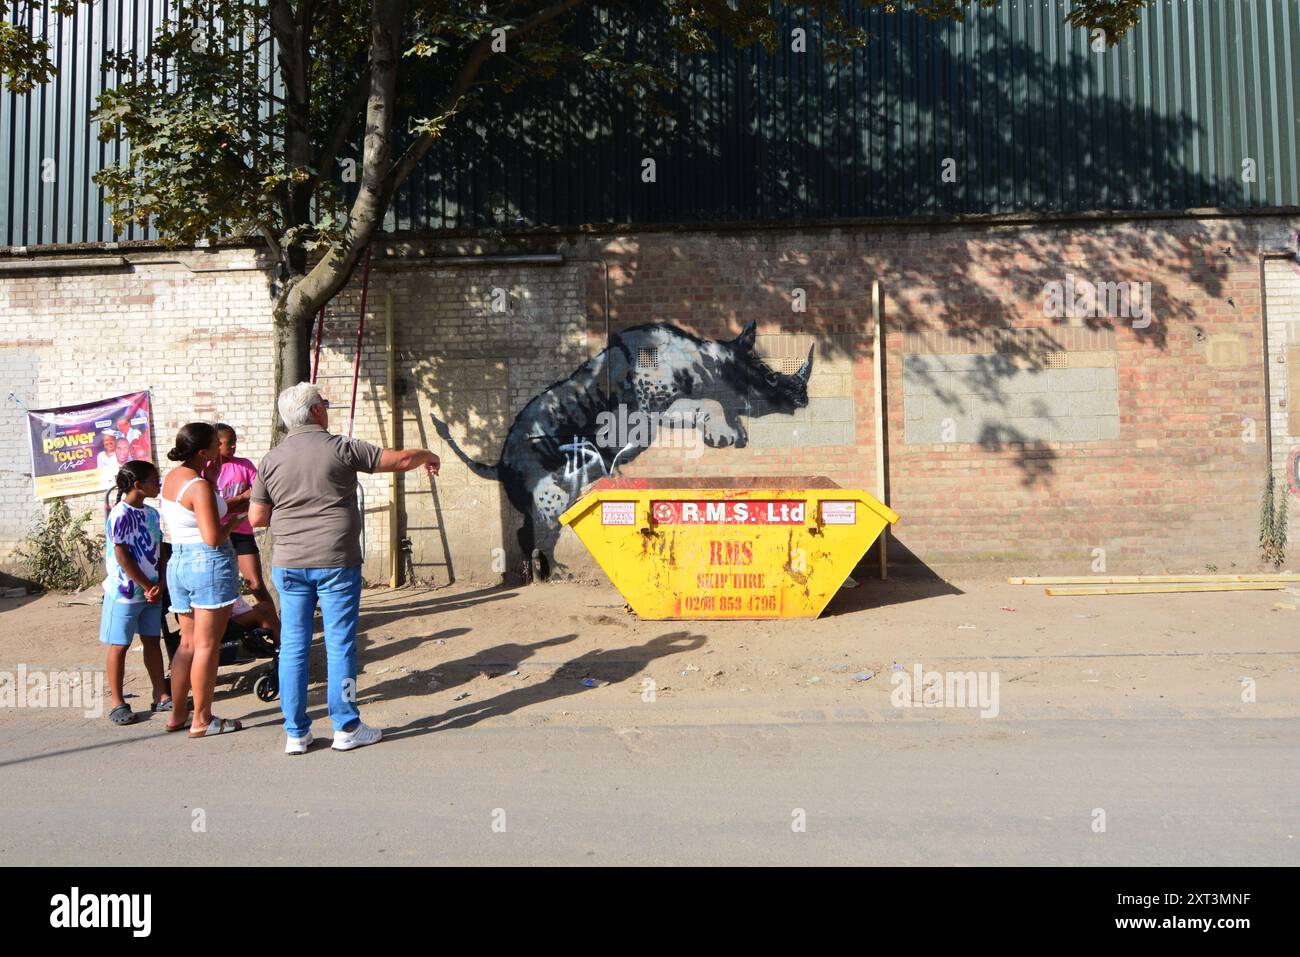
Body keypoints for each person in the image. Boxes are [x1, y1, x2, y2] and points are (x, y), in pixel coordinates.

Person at [249, 381, 440, 755]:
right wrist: (427, 453)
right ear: (317, 411)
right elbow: (399, 461)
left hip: (289, 563)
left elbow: (257, 517)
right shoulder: (342, 448)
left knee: (293, 646)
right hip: (336, 561)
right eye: (325, 404)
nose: (327, 409)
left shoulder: (270, 460)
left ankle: (295, 733)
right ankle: (346, 726)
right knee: (339, 644)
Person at [160, 422, 246, 737]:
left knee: (187, 643)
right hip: (207, 563)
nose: (220, 449)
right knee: (208, 645)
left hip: (179, 561)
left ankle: (178, 714)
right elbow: (212, 536)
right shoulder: (199, 486)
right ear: (202, 452)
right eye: (215, 444)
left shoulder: (173, 478)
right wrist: (236, 520)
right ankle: (203, 718)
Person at [100, 461, 171, 725]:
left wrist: (161, 582)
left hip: (152, 591)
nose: (159, 485)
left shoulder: (151, 514)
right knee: (120, 645)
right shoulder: (119, 514)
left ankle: (161, 694)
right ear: (139, 485)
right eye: (155, 481)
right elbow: (122, 556)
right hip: (125, 594)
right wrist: (145, 585)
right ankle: (118, 702)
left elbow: (160, 548)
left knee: (152, 641)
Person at [215, 423, 278, 628]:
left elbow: (258, 495)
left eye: (235, 442)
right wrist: (241, 498)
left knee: (255, 583)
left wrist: (230, 504)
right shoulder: (208, 471)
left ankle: (274, 623)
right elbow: (215, 507)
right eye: (229, 442)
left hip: (241, 531)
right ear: (216, 444)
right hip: (216, 534)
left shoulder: (244, 464)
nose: (233, 446)